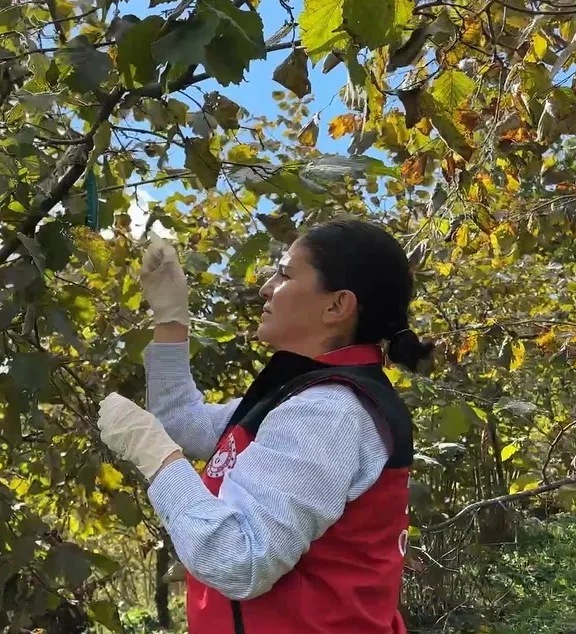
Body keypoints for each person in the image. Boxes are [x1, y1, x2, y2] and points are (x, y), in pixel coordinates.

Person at [96, 218, 433, 634]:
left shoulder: (330, 413)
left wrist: (155, 455)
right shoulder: (300, 397)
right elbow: (182, 423)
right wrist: (170, 318)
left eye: (286, 273)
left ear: (336, 306)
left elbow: (240, 559)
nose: (266, 287)